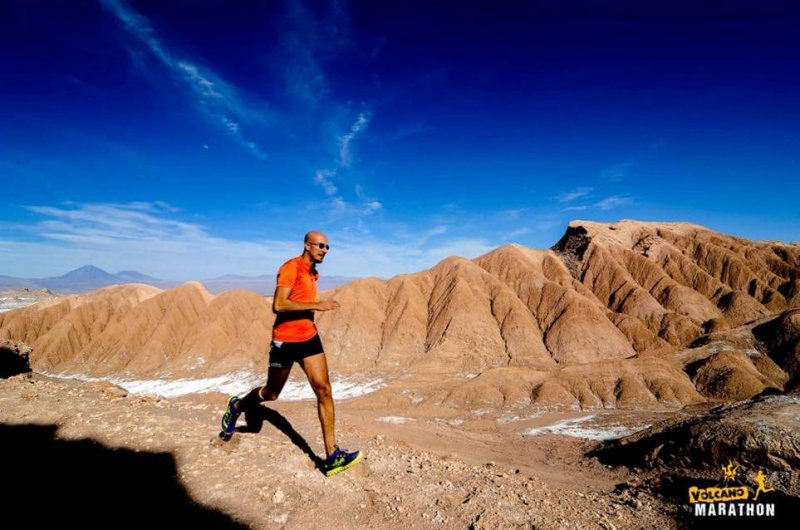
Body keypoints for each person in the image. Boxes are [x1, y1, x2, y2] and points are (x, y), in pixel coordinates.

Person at [220, 231, 362, 477]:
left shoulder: (312, 272)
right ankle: (237, 406)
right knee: (271, 393)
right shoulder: (290, 267)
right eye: (320, 245)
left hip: (309, 338)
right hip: (285, 341)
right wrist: (317, 305)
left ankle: (331, 456)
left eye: (328, 247)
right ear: (307, 245)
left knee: (324, 390)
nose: (325, 250)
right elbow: (279, 304)